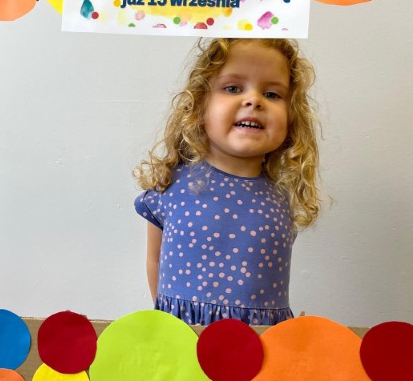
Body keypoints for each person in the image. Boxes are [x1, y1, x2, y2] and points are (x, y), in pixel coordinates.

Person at [133, 38, 321, 326]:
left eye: (272, 94)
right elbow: (154, 260)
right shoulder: (170, 185)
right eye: (233, 88)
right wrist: (168, 326)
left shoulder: (281, 199)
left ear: (292, 117)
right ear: (200, 105)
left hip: (259, 343)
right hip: (186, 339)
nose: (254, 100)